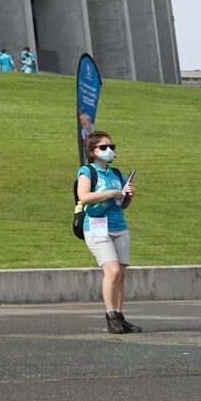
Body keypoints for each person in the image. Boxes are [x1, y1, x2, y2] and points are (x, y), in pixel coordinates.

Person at [77, 130, 142, 335]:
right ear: (93, 151)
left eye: (111, 147)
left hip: (118, 226)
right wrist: (110, 193)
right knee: (112, 271)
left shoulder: (116, 173)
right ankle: (111, 315)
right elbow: (84, 197)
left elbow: (122, 205)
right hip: (97, 227)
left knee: (121, 274)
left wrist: (127, 195)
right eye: (103, 147)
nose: (108, 150)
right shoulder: (87, 172)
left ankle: (121, 316)